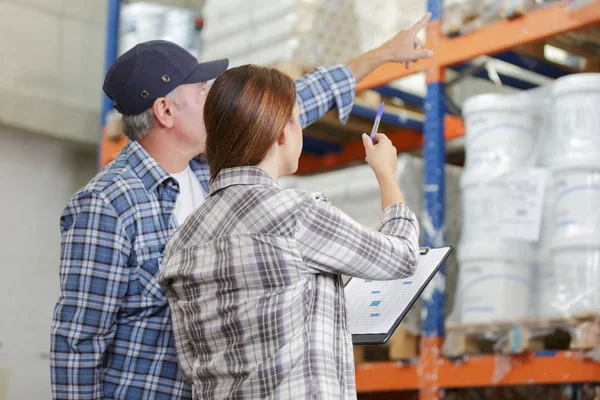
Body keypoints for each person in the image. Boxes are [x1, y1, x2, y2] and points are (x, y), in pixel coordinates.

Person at [50, 14, 432, 400]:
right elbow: (78, 342)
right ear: (166, 111)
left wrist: (383, 54)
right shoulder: (106, 205)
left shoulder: (204, 179)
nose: (214, 99)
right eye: (202, 93)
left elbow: (291, 103)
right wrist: (387, 175)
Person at [159, 64, 420, 399]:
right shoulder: (297, 215)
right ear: (280, 134)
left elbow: (190, 365)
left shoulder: (180, 243)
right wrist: (386, 173)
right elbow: (402, 256)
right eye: (296, 118)